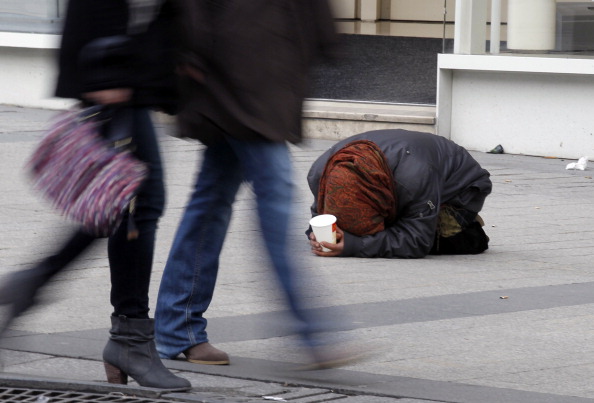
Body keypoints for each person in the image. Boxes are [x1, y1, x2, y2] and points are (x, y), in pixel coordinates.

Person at [0, 0, 190, 390]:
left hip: (126, 69)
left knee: (125, 206)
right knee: (134, 204)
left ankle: (34, 284)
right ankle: (128, 339)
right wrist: (104, 72)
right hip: (115, 70)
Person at [154, 0, 352, 368]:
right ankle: (313, 331)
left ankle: (176, 327)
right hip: (238, 86)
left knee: (209, 204)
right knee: (273, 203)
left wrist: (322, 41)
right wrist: (192, 54)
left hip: (257, 83)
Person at [307, 129, 492, 258]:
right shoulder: (320, 174)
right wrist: (315, 234)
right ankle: (388, 225)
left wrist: (354, 246)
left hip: (460, 190)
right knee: (388, 236)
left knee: (433, 242)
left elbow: (417, 241)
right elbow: (319, 215)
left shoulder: (415, 179)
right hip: (405, 177)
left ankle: (467, 225)